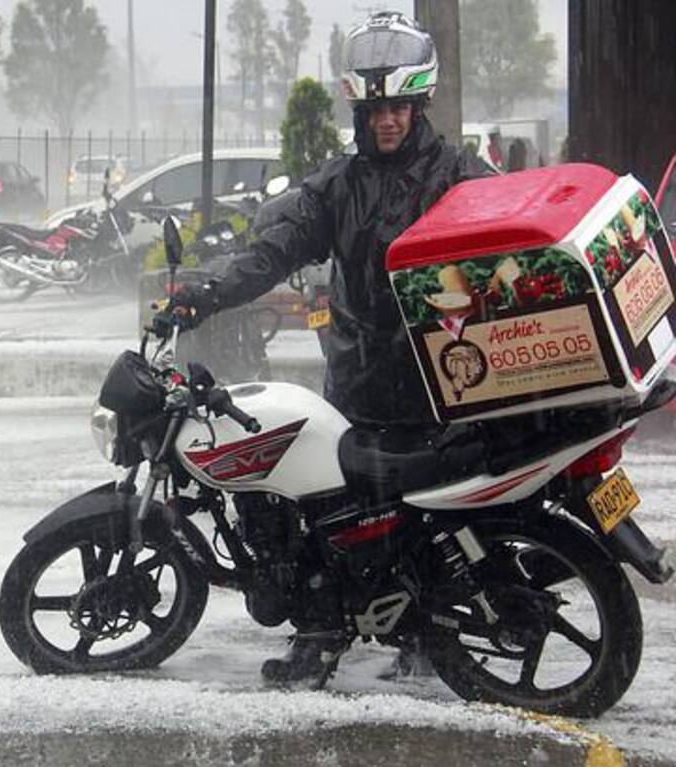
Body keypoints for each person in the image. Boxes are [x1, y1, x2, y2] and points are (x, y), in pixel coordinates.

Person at [158, 11, 491, 686]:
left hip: (439, 376)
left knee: (425, 511)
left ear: (418, 104)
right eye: (376, 110)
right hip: (361, 375)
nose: (388, 121)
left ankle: (427, 628)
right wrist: (206, 290)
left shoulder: (460, 174)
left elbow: (514, 234)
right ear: (358, 111)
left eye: (398, 107)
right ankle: (322, 629)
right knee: (320, 511)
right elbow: (270, 252)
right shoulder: (337, 186)